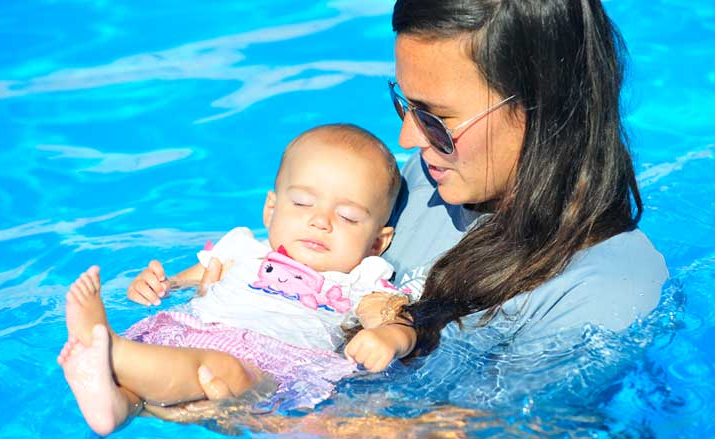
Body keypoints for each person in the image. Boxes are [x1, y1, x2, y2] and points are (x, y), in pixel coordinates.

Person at [195, 0, 669, 404]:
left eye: (438, 118)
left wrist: (249, 405)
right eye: (406, 105)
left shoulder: (605, 289)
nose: (408, 138)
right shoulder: (430, 180)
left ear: (544, 110)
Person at [57, 123, 417, 436]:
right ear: (270, 210)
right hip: (197, 334)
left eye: (348, 217)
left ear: (376, 242)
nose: (320, 221)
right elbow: (185, 280)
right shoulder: (243, 248)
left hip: (271, 370)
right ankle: (117, 406)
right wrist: (159, 285)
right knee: (175, 364)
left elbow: (388, 314)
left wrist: (390, 335)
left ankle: (108, 351)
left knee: (220, 368)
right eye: (303, 204)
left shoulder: (362, 278)